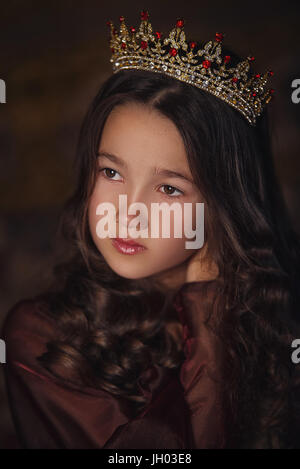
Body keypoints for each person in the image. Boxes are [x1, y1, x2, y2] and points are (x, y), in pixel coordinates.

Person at [2, 11, 300, 449]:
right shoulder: (43, 340)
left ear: (224, 203)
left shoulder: (281, 316)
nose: (128, 211)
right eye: (111, 171)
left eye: (168, 188)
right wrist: (208, 311)